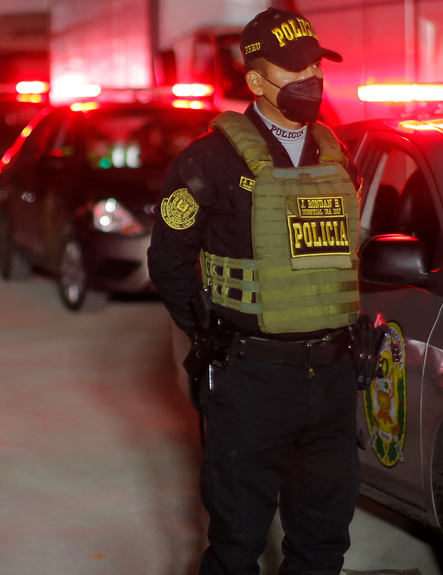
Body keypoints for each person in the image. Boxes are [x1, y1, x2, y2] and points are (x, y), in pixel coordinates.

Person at [147, 8, 374, 575]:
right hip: (251, 381)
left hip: (331, 378)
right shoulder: (208, 161)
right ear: (255, 81)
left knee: (323, 543)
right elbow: (168, 260)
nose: (311, 80)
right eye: (294, 69)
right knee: (237, 542)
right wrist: (213, 336)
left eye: (316, 66)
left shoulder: (335, 153)